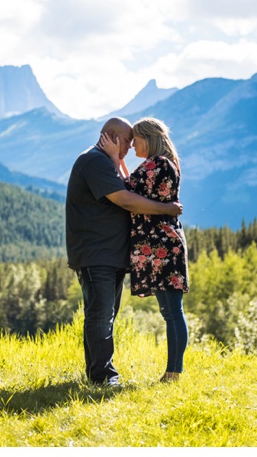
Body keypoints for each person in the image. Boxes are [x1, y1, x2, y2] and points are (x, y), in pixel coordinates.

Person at [66, 117, 183, 387]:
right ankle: (104, 377)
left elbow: (126, 186)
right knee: (100, 315)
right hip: (97, 253)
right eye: (128, 141)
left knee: (103, 314)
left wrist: (117, 161)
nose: (131, 147)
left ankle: (97, 374)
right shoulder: (94, 161)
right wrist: (167, 209)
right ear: (113, 137)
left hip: (109, 253)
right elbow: (125, 199)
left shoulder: (104, 161)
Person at [99, 117, 189, 383]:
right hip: (161, 245)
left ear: (148, 139)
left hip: (162, 247)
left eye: (135, 140)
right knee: (170, 311)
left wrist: (114, 159)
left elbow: (126, 195)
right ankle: (174, 371)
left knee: (172, 312)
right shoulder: (158, 164)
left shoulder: (158, 165)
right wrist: (121, 162)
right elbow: (135, 188)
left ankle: (174, 372)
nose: (132, 144)